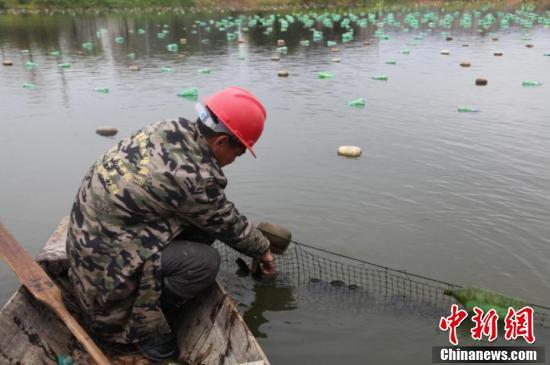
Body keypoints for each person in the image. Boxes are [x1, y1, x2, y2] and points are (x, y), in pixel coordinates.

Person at [65, 87, 277, 361]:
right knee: (205, 262)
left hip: (88, 244)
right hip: (103, 275)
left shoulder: (168, 128)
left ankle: (144, 292)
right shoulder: (195, 177)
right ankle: (138, 325)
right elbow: (229, 225)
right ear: (221, 142)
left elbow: (214, 215)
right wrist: (263, 251)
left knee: (201, 231)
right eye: (238, 154)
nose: (233, 161)